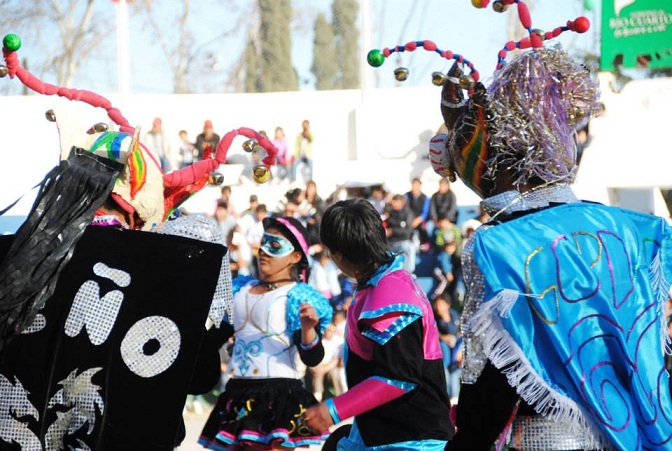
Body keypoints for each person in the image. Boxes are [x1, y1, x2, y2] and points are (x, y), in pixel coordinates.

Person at [427, 14, 672, 450]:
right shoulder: (630, 228)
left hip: (547, 438)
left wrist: (465, 443)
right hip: (638, 433)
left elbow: (493, 375)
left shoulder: (500, 244)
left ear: (491, 159)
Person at [303, 198, 454, 450]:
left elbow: (399, 377)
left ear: (338, 255)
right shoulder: (383, 283)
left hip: (411, 439)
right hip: (383, 433)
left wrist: (333, 410)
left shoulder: (391, 293)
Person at [198, 216, 333, 450]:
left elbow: (312, 358)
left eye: (275, 246)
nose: (264, 252)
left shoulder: (298, 297)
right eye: (263, 244)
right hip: (237, 394)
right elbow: (210, 341)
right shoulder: (240, 290)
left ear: (295, 257)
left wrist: (308, 329)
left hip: (280, 397)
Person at [384, 194, 416, 274]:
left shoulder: (408, 213)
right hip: (392, 242)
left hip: (404, 241)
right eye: (393, 202)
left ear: (402, 202)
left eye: (397, 202)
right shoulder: (390, 213)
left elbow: (408, 231)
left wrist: (393, 231)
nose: (394, 204)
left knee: (406, 247)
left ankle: (407, 274)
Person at [405, 177, 431, 252]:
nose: (415, 187)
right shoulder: (406, 196)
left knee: (425, 227)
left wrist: (418, 220)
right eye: (413, 185)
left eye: (417, 185)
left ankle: (425, 245)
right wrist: (411, 219)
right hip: (410, 219)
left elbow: (425, 212)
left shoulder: (425, 198)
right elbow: (406, 209)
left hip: (420, 219)